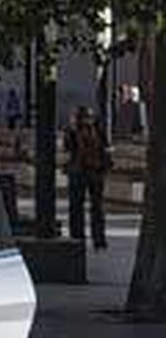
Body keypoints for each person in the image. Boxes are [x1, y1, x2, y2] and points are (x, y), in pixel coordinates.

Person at [63, 106, 111, 250]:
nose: (87, 121)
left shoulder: (77, 131)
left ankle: (79, 237)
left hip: (84, 173)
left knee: (79, 207)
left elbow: (68, 148)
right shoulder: (95, 131)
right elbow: (105, 148)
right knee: (95, 207)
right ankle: (97, 239)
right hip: (90, 172)